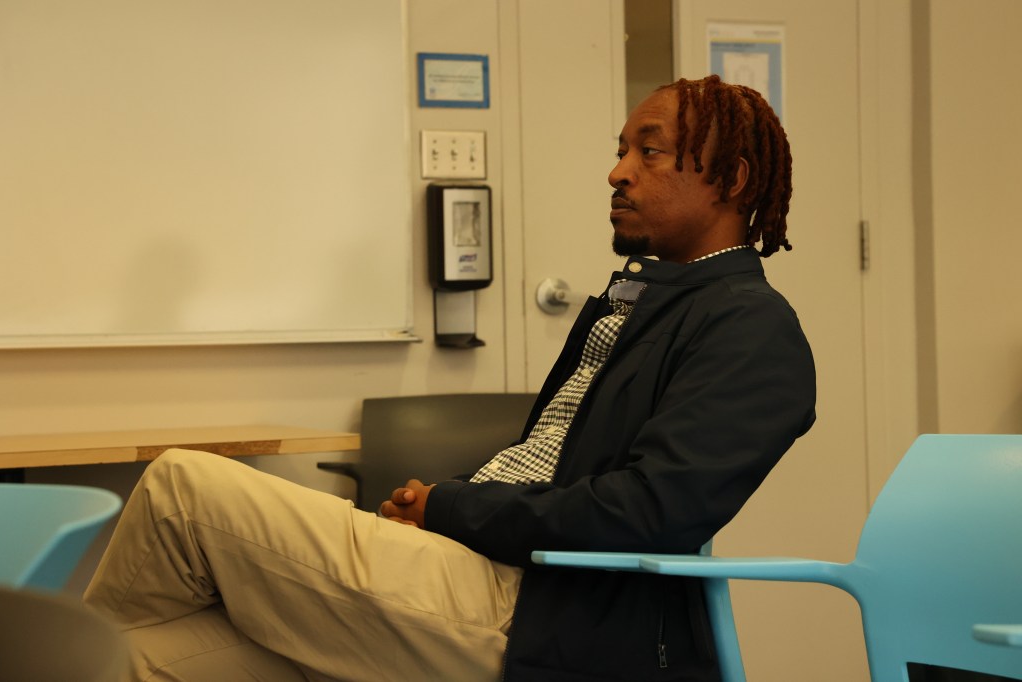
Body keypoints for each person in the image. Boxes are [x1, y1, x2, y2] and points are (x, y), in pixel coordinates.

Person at [84, 75, 815, 682]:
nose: (618, 171)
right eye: (621, 150)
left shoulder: (750, 327)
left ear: (734, 180)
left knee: (183, 485)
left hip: (543, 611)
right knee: (134, 660)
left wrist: (450, 508)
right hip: (473, 569)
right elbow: (547, 466)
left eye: (648, 152)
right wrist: (442, 508)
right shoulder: (643, 303)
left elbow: (650, 510)